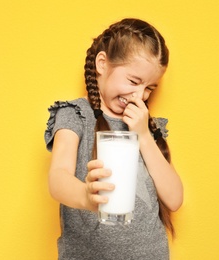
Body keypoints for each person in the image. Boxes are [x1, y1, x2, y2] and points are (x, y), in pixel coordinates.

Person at [44, 18, 183, 260]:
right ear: (102, 64)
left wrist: (142, 135)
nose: (140, 95)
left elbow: (174, 199)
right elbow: (58, 178)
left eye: (150, 88)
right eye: (133, 81)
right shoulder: (76, 115)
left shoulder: (146, 125)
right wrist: (85, 196)